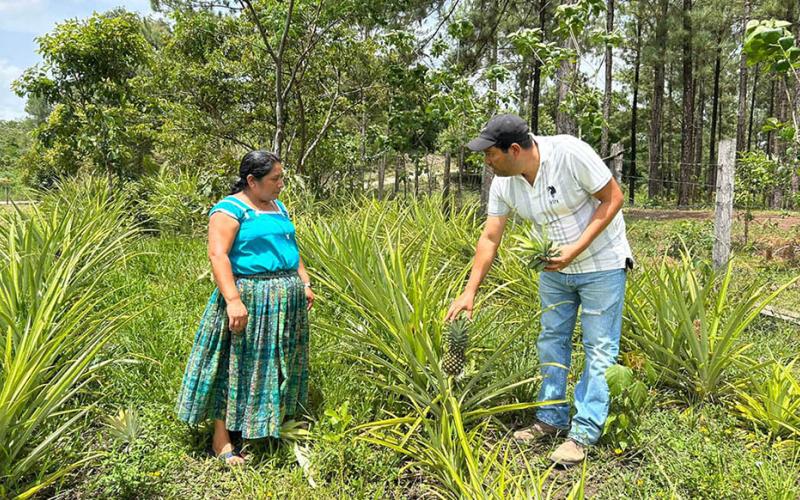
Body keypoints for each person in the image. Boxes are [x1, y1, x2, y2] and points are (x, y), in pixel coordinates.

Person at [445, 114, 632, 466]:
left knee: (599, 348)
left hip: (601, 265)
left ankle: (583, 433)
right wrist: (469, 291)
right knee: (551, 339)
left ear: (514, 149)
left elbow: (613, 198)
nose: (486, 161)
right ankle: (551, 418)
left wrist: (575, 249)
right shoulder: (505, 181)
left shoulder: (569, 153)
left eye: (490, 154)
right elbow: (490, 237)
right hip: (553, 270)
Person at [176, 150, 314, 465]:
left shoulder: (277, 207)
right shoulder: (229, 210)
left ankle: (263, 425)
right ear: (252, 181)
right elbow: (218, 255)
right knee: (233, 365)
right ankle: (221, 440)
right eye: (274, 179)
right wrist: (233, 300)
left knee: (276, 364)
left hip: (285, 300)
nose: (281, 184)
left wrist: (304, 282)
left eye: (281, 177)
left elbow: (291, 247)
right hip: (249, 298)